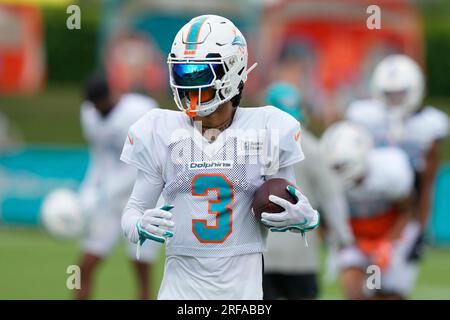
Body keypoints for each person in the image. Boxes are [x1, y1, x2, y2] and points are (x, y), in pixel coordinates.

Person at [120, 15, 320, 300]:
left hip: (242, 296)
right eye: (182, 72)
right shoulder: (159, 130)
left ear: (232, 70)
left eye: (199, 72)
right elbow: (132, 212)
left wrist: (306, 217)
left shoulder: (269, 127)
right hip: (179, 293)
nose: (189, 83)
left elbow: (294, 202)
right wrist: (139, 226)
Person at [346, 54, 449, 281]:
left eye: (400, 93)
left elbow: (428, 183)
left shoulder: (429, 125)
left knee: (392, 288)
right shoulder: (365, 115)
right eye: (389, 93)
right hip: (374, 206)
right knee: (356, 285)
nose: (394, 99)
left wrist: (422, 229)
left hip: (406, 210)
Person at [262, 82, 354, 299]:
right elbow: (332, 198)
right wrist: (343, 239)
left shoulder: (251, 146)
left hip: (260, 250)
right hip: (300, 252)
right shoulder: (313, 148)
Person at [76, 74, 160, 299]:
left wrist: (107, 190)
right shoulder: (89, 115)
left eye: (98, 103)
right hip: (108, 202)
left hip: (142, 196)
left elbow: (147, 160)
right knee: (84, 264)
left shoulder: (139, 110)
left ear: (109, 96)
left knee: (140, 263)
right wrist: (89, 188)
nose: (95, 108)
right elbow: (99, 156)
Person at [321, 121, 415, 299]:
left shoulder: (390, 170)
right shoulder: (327, 180)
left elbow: (406, 210)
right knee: (354, 289)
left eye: (341, 166)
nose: (337, 172)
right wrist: (349, 242)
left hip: (388, 236)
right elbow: (324, 221)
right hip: (352, 238)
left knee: (387, 292)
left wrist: (386, 243)